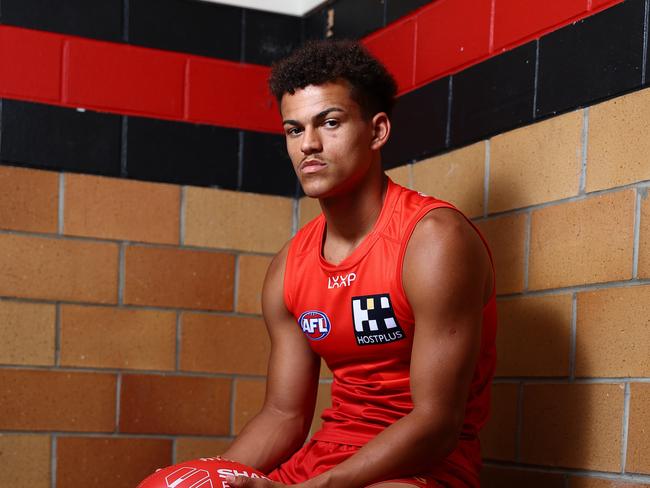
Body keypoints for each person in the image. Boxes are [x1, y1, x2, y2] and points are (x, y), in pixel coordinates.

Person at [222, 40, 496, 488]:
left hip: (418, 471)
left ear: (377, 131)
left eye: (329, 123)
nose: (308, 145)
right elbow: (283, 414)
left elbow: (436, 424)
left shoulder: (432, 240)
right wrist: (215, 477)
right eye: (294, 130)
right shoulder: (288, 267)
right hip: (325, 463)